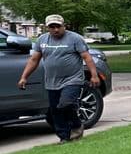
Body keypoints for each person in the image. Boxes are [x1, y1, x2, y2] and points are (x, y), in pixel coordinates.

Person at [17, 14, 102, 143]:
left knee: (66, 104)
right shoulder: (42, 40)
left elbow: (87, 57)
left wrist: (94, 75)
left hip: (73, 79)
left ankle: (76, 125)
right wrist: (24, 77)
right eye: (52, 27)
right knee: (55, 111)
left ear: (64, 26)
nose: (56, 29)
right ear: (47, 28)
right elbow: (34, 59)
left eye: (58, 26)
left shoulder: (75, 38)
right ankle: (64, 137)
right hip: (52, 81)